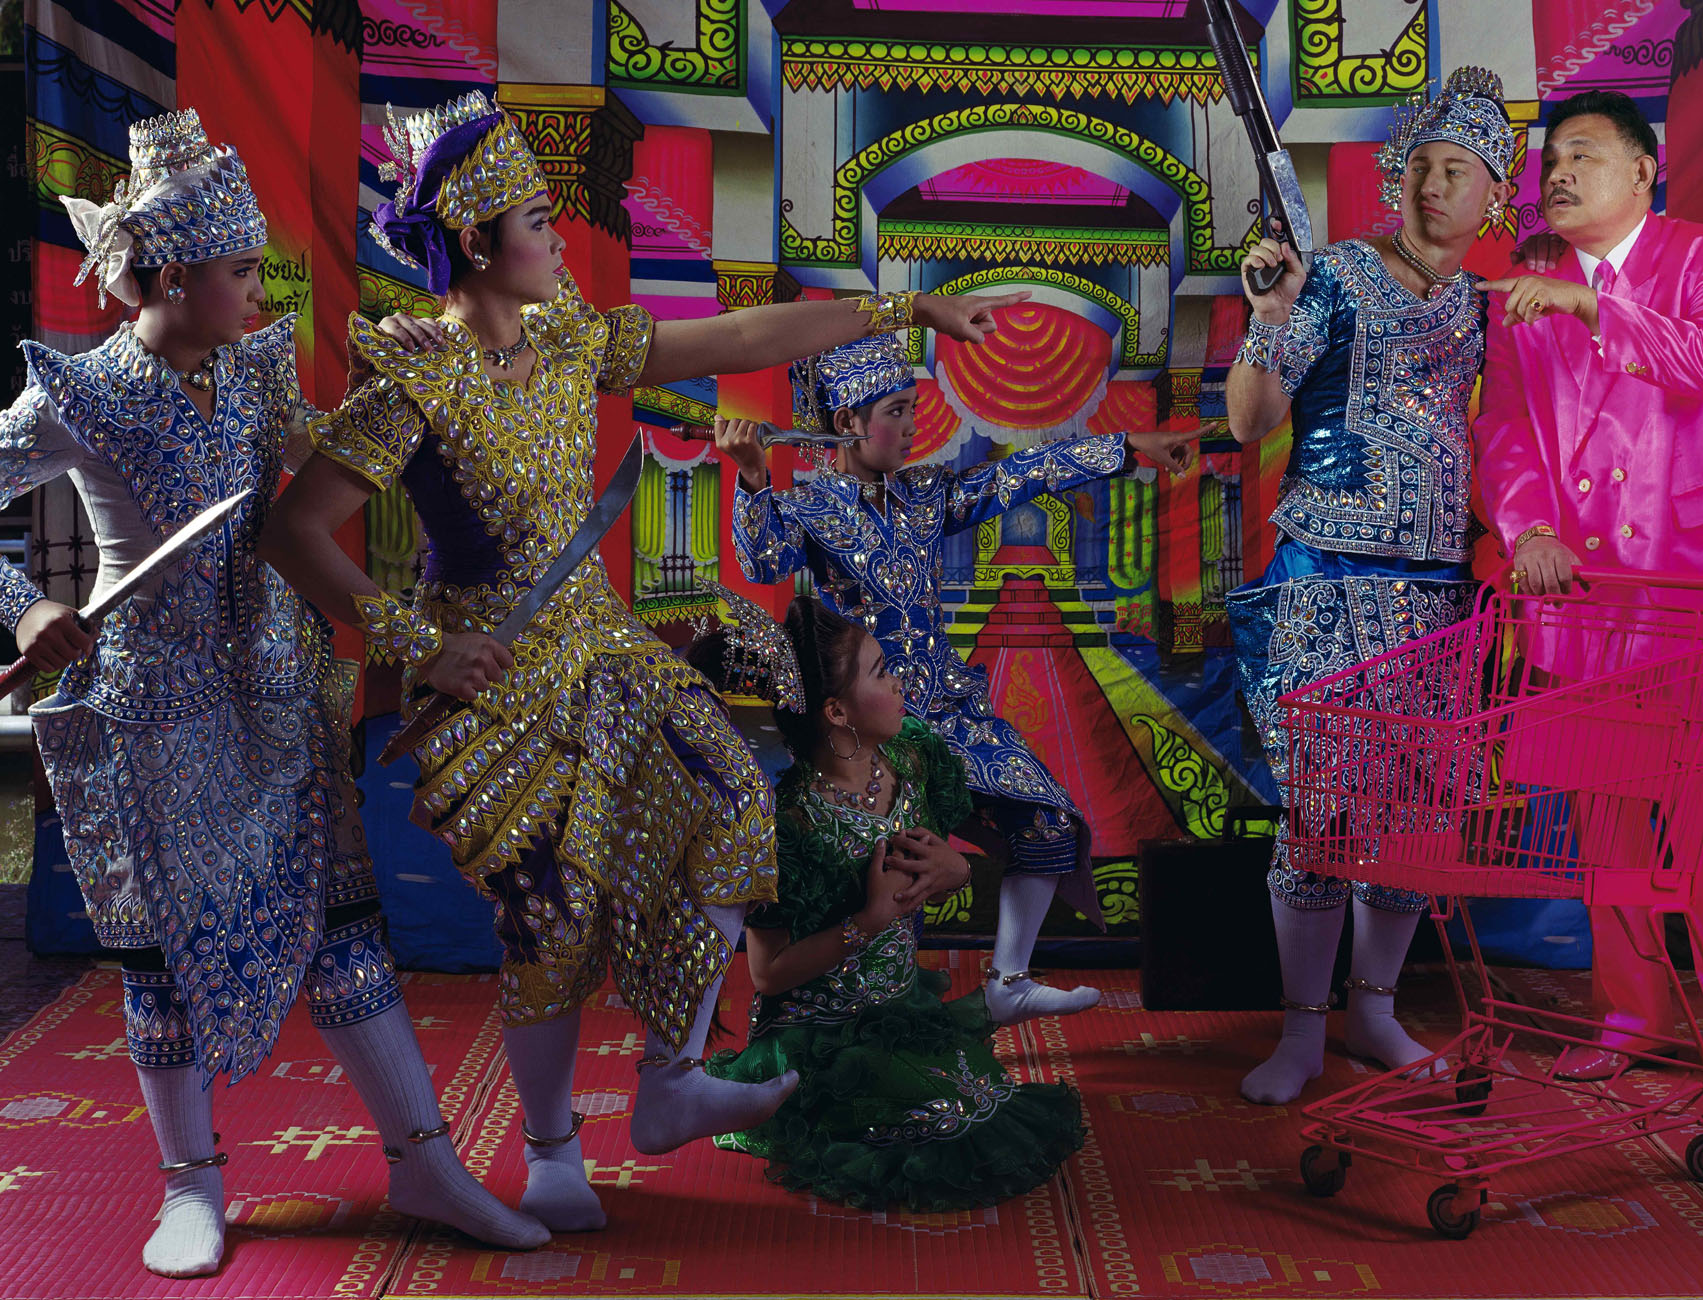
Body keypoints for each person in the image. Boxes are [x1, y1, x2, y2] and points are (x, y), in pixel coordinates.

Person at [258, 90, 1033, 1232]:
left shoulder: (573, 336)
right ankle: (550, 1149)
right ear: (477, 242)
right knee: (551, 915)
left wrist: (901, 308)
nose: (558, 240)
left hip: (602, 645)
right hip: (492, 673)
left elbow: (739, 340)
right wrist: (424, 643)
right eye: (536, 221)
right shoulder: (414, 379)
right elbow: (294, 532)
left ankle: (670, 1082)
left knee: (732, 802)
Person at [0, 109, 546, 1278]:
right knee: (159, 952)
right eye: (240, 270)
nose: (256, 290)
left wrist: (393, 384)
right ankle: (191, 1182)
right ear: (173, 276)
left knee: (344, 929)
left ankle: (425, 1161)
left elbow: (321, 455)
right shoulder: (82, 392)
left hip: (280, 690)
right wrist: (25, 608)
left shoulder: (253, 371)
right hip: (152, 706)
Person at [1472, 89, 1703, 1117]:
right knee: (1605, 818)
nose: (1557, 175)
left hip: (1698, 583)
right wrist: (1527, 527)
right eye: (1548, 163)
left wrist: (1589, 307)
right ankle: (1631, 1017)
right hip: (1580, 591)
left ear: (1641, 170)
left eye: (1580, 154)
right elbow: (1505, 428)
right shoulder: (1522, 281)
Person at [717, 339, 1198, 1025]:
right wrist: (752, 477)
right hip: (868, 726)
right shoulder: (809, 508)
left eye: (913, 409)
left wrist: (1128, 447)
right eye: (896, 411)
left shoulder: (925, 495)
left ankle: (1008, 981)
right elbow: (762, 563)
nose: (913, 425)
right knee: (891, 872)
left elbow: (1023, 473)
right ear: (848, 423)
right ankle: (873, 1013)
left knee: (1048, 825)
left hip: (948, 711)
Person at [1221, 68, 1517, 1105]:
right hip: (1327, 575)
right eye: (1420, 166)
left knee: (1417, 814)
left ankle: (1375, 1010)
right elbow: (1250, 422)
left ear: (1495, 197)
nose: (1433, 185)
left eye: (1457, 171)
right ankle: (1300, 1033)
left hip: (1436, 591)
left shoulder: (1485, 306)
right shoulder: (1338, 273)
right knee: (1320, 814)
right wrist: (1270, 314)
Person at [685, 596, 1086, 1210]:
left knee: (982, 1101)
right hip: (819, 1033)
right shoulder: (790, 822)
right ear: (837, 711)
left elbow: (931, 874)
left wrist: (957, 870)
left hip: (901, 1005)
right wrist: (868, 921)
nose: (900, 682)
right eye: (880, 672)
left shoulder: (912, 757)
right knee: (954, 1126)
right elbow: (767, 974)